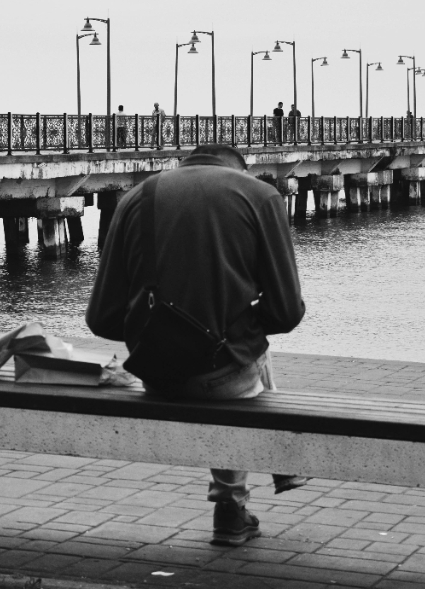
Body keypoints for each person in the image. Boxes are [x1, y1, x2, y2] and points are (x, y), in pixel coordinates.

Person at [86, 144, 307, 548]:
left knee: (239, 348)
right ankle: (242, 496)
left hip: (155, 372)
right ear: (240, 170)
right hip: (223, 378)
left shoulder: (136, 197)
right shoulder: (260, 196)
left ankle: (274, 473)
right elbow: (287, 312)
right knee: (246, 350)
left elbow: (101, 317)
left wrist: (156, 334)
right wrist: (239, 323)